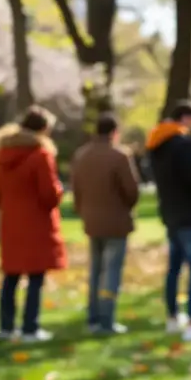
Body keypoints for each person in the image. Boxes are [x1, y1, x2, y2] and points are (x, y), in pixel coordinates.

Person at [0, 107, 67, 341]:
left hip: (11, 221)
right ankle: (30, 327)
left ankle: (6, 326)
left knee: (11, 275)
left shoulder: (2, 154)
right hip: (36, 222)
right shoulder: (40, 155)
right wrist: (59, 190)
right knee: (35, 276)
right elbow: (48, 194)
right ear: (43, 129)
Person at [147, 100, 191, 344]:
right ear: (187, 118)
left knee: (174, 268)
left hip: (170, 214)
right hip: (190, 214)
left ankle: (172, 317)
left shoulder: (156, 145)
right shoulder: (184, 145)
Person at [71, 113, 140, 335]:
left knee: (95, 270)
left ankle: (93, 318)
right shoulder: (119, 156)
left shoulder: (82, 155)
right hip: (116, 220)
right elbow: (131, 190)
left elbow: (76, 188)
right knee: (111, 271)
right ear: (114, 132)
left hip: (92, 220)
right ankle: (107, 319)